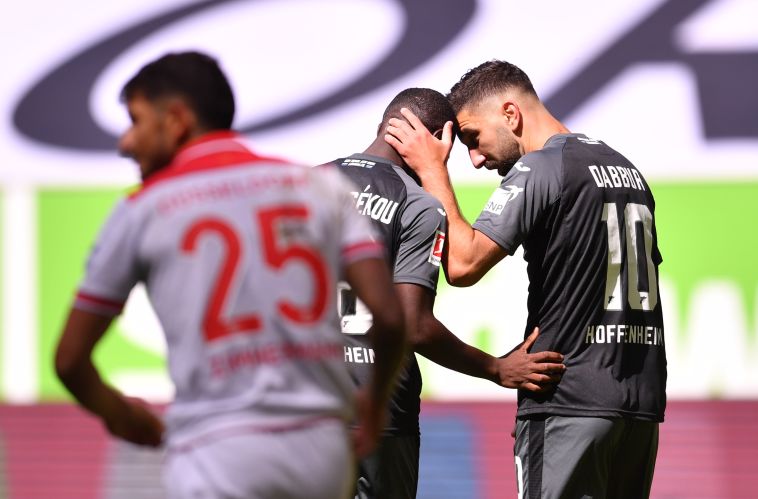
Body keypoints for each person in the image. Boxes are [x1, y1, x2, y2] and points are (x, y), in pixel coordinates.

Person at [54, 51, 407, 499]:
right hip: (321, 449)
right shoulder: (318, 187)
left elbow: (69, 361)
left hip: (215, 449)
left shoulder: (142, 208)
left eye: (136, 121)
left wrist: (122, 416)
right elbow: (390, 317)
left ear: (176, 120)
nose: (126, 142)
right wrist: (374, 405)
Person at [385, 61, 666, 499]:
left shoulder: (542, 167)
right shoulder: (627, 170)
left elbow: (462, 264)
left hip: (568, 399)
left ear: (510, 114)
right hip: (639, 408)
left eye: (473, 138)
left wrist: (432, 170)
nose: (476, 159)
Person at [326, 88, 566, 499]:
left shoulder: (302, 186)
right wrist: (496, 368)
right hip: (379, 417)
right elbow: (414, 326)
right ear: (440, 139)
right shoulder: (418, 206)